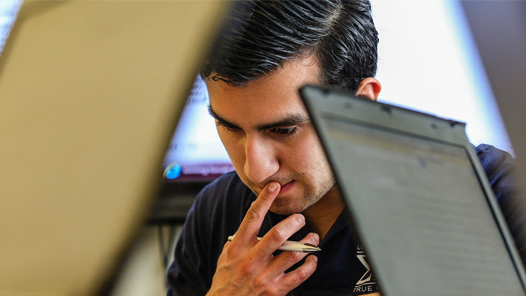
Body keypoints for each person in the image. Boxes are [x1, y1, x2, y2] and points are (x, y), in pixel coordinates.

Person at [166, 1, 525, 295]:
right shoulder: (216, 215)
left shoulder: (494, 195)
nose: (255, 169)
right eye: (229, 126)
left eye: (285, 129)